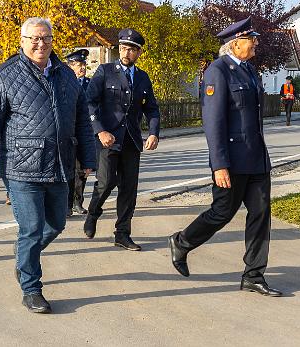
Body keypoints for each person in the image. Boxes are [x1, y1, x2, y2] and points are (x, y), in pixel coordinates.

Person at [0, 17, 96, 314]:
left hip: (58, 164)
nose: (41, 44)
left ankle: (23, 257)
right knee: (30, 228)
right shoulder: (5, 76)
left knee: (56, 225)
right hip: (20, 167)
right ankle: (31, 288)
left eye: (46, 38)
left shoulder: (66, 76)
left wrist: (89, 159)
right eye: (34, 39)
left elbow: (82, 120)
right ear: (23, 41)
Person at [168, 16, 283, 297]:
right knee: (222, 213)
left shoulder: (250, 71)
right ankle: (182, 242)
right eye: (251, 39)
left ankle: (253, 275)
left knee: (260, 214)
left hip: (256, 159)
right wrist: (219, 164)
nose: (255, 43)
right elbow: (214, 122)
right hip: (231, 161)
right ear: (235, 44)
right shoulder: (218, 72)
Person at [83, 29, 160, 251]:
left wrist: (153, 132)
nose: (127, 52)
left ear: (139, 52)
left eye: (132, 49)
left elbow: (152, 109)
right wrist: (100, 130)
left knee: (129, 189)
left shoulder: (143, 77)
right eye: (124, 48)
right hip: (108, 138)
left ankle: (122, 233)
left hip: (131, 141)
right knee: (106, 182)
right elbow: (90, 103)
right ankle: (93, 213)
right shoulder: (105, 71)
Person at [65, 48, 91, 217]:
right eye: (79, 64)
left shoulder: (91, 84)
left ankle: (77, 203)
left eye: (84, 64)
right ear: (71, 66)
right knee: (69, 170)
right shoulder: (65, 84)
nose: (82, 68)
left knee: (82, 170)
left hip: (85, 132)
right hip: (69, 133)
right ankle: (66, 205)